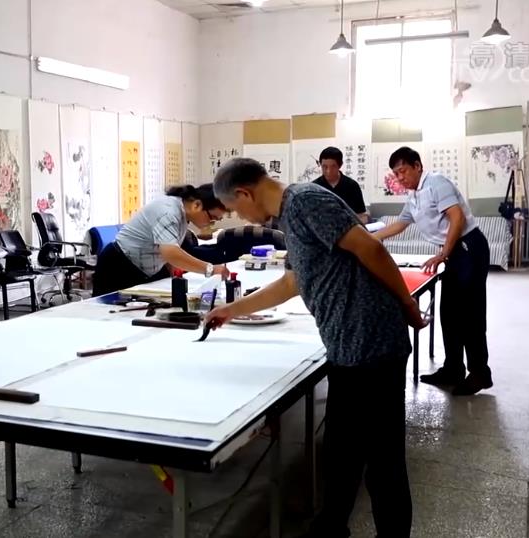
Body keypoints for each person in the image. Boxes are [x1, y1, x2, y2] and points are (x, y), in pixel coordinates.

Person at [207, 158, 427, 538]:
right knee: (342, 452)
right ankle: (330, 527)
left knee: (382, 459)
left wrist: (406, 303)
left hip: (370, 345)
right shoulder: (289, 217)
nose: (238, 216)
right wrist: (231, 309)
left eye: (234, 208)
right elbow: (291, 283)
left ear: (244, 193)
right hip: (347, 347)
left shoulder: (306, 201)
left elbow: (371, 250)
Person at [374, 146, 493, 396]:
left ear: (417, 166)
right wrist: (368, 238)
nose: (400, 178)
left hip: (468, 247)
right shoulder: (414, 195)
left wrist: (443, 255)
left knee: (470, 314)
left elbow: (457, 218)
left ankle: (480, 373)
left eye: (403, 171)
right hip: (454, 253)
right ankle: (453, 369)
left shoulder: (436, 183)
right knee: (449, 313)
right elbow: (400, 224)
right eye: (396, 174)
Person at [92, 184, 230, 296]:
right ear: (197, 205)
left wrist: (172, 271)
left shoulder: (181, 213)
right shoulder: (168, 211)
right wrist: (210, 269)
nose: (212, 223)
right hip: (119, 266)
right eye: (212, 218)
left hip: (144, 270)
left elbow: (169, 250)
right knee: (106, 313)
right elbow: (171, 253)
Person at [313, 146, 369, 223]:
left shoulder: (352, 186)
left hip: (348, 228)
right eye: (324, 167)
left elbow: (361, 215)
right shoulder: (314, 187)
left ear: (340, 165)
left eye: (333, 166)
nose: (328, 171)